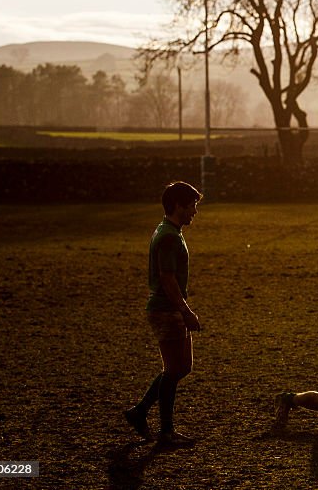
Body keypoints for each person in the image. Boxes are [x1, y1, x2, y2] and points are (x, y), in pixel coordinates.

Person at [124, 181, 203, 447]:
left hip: (169, 308)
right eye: (192, 205)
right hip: (166, 309)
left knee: (182, 367)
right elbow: (167, 278)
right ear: (179, 205)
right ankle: (165, 431)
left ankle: (140, 412)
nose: (194, 211)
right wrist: (186, 311)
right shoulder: (168, 236)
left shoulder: (169, 230)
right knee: (174, 368)